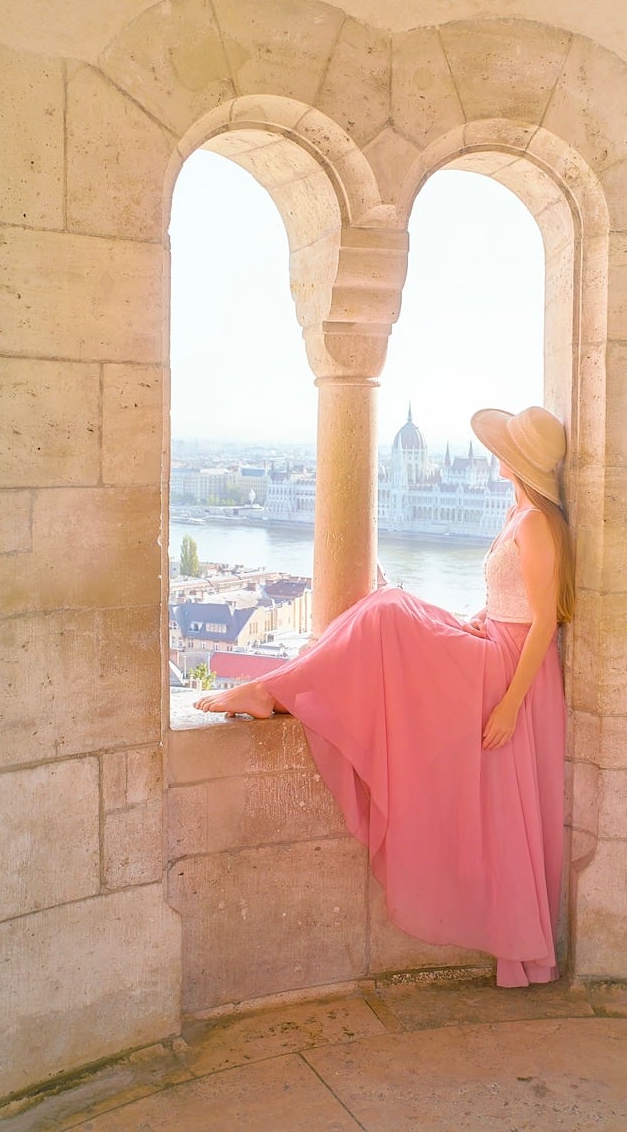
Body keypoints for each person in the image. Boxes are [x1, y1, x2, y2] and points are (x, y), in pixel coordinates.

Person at [194, 406, 574, 987]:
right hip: (493, 638)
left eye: (503, 448)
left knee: (389, 612)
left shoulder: (533, 525)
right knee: (386, 603)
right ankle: (278, 687)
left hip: (509, 668)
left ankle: (272, 690)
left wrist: (508, 705)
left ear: (515, 460)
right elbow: (514, 598)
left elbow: (544, 623)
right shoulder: (516, 513)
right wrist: (477, 618)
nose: (494, 453)